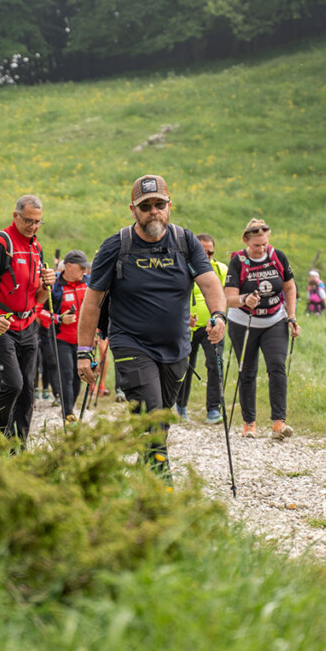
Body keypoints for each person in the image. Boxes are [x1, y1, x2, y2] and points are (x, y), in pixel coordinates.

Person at [76, 174, 226, 479]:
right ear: (133, 210)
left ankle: (146, 475)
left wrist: (219, 316)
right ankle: (162, 486)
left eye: (159, 204)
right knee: (151, 415)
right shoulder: (116, 246)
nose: (153, 211)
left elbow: (210, 283)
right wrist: (83, 351)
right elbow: (92, 302)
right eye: (146, 206)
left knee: (159, 420)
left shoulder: (185, 242)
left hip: (176, 347)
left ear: (170, 206)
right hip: (131, 343)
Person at [0, 195, 56, 445]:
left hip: (28, 325)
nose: (33, 226)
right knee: (14, 384)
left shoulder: (36, 247)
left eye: (38, 222)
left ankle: (18, 445)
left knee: (28, 391)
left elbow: (39, 298)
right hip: (1, 325)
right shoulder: (1, 244)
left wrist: (47, 284)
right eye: (28, 221)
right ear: (15, 216)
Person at [224, 218, 299, 440]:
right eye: (257, 245)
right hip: (244, 321)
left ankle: (279, 422)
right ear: (246, 241)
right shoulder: (238, 261)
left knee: (277, 366)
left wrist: (292, 316)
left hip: (274, 319)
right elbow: (228, 298)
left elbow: (290, 287)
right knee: (247, 371)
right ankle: (249, 424)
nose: (262, 249)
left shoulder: (278, 257)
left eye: (264, 244)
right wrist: (245, 299)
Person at [176, 233, 228, 424]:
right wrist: (182, 316)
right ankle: (180, 406)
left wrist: (221, 317)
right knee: (184, 366)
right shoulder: (181, 267)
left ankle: (213, 410)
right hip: (186, 327)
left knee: (215, 364)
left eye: (210, 252)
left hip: (211, 326)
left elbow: (225, 296)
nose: (206, 256)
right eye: (202, 251)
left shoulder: (220, 269)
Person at [48, 250, 90, 420]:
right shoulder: (55, 286)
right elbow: (39, 311)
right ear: (69, 266)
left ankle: (70, 407)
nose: (84, 271)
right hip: (61, 339)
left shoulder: (88, 282)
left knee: (78, 375)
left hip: (82, 340)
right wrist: (59, 318)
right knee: (66, 375)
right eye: (81, 268)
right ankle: (68, 413)